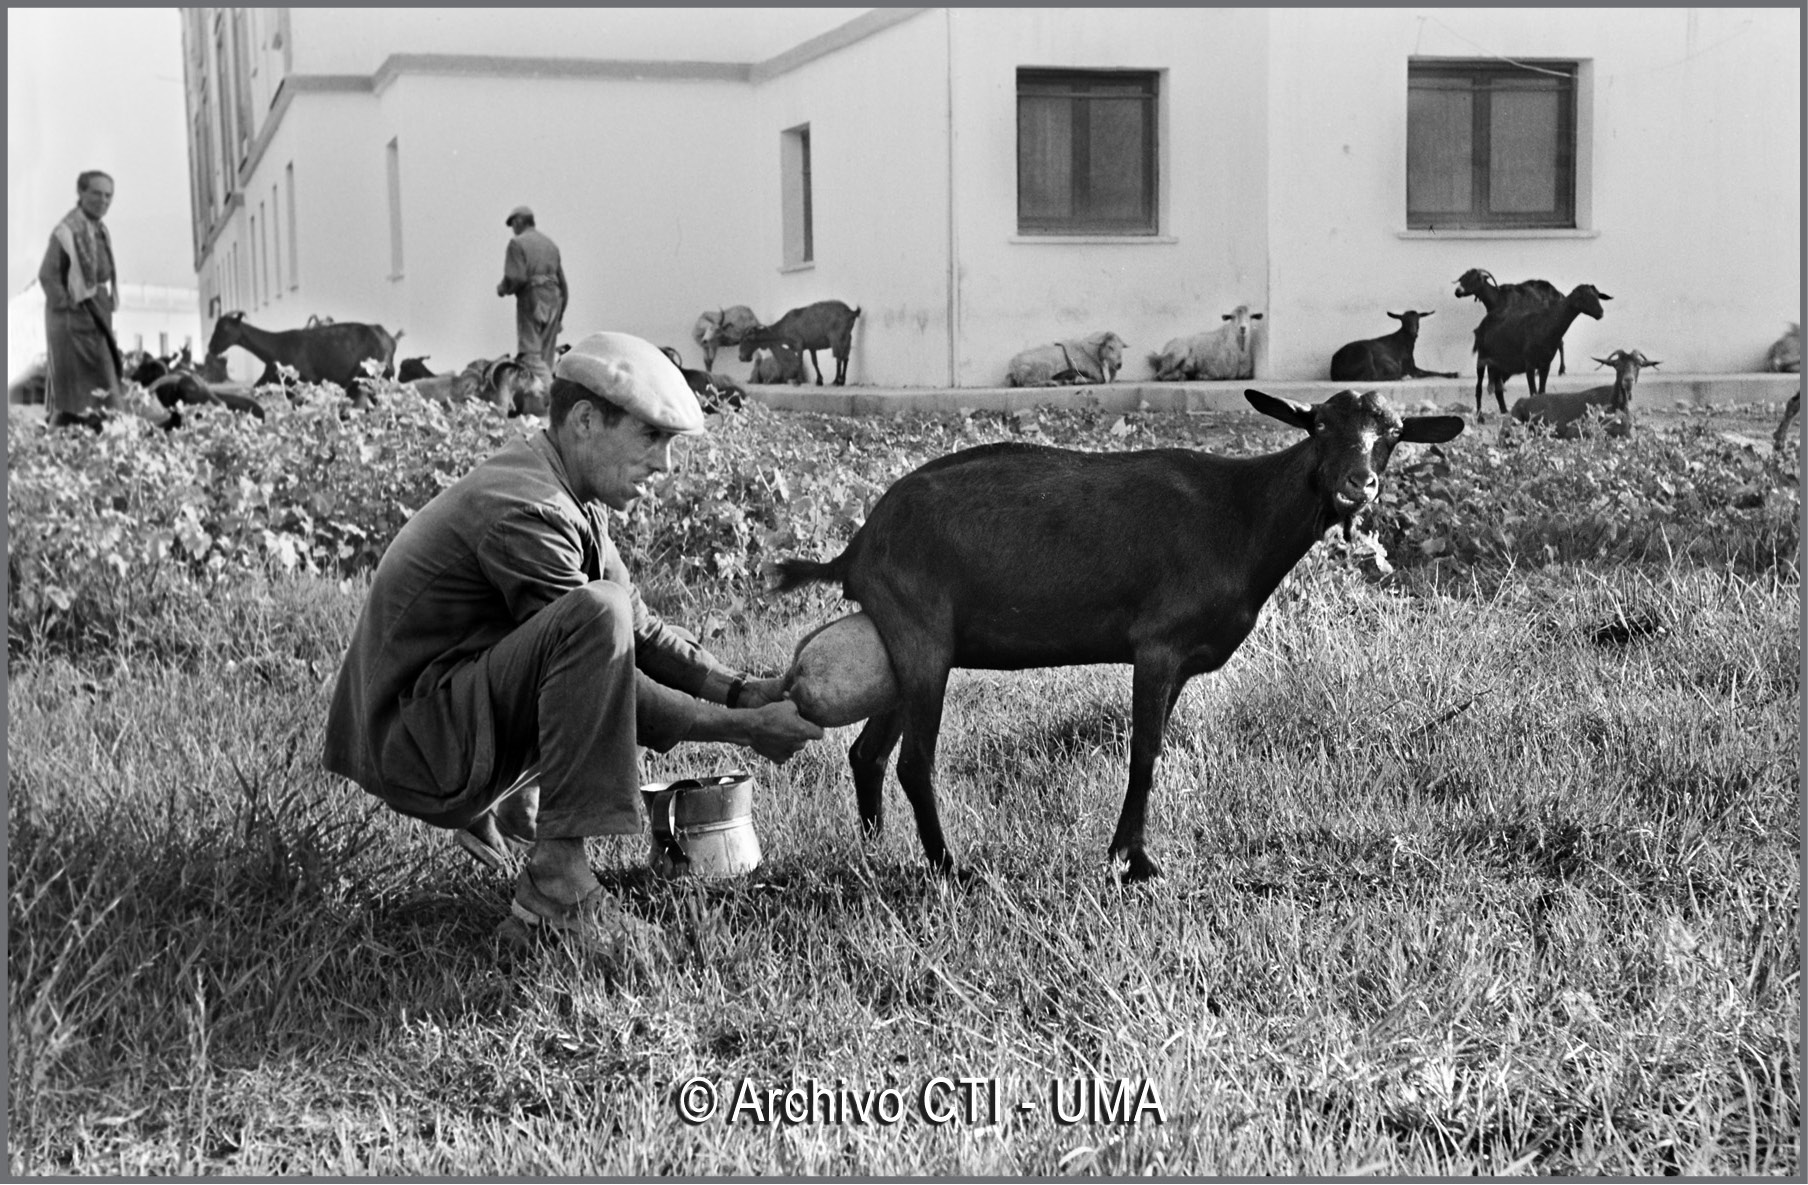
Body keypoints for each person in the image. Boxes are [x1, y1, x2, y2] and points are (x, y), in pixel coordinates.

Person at [324, 331, 822, 950]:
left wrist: (744, 692)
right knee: (592, 615)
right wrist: (743, 729)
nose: (664, 466)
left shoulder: (563, 486)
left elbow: (638, 627)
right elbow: (605, 668)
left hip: (438, 712)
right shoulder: (529, 508)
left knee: (603, 612)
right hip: (411, 744)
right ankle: (556, 888)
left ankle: (517, 806)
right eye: (651, 438)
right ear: (586, 420)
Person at [38, 170, 123, 428]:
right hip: (74, 322)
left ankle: (97, 438)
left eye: (108, 195)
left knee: (102, 385)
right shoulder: (67, 230)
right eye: (96, 193)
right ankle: (65, 442)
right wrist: (68, 306)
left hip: (97, 313)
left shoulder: (99, 229)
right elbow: (48, 275)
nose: (103, 200)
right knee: (82, 391)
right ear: (81, 193)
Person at [496, 205, 569, 393]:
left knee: (529, 355)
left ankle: (551, 396)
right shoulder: (550, 245)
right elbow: (563, 285)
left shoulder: (517, 244)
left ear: (519, 221)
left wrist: (503, 288)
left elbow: (516, 277)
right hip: (555, 300)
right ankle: (540, 406)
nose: (513, 229)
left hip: (533, 298)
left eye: (513, 224)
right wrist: (560, 315)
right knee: (545, 357)